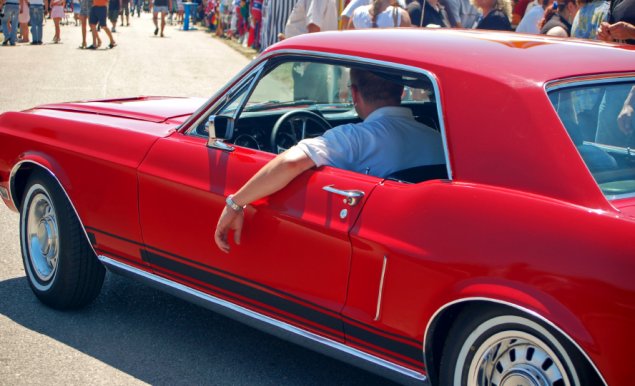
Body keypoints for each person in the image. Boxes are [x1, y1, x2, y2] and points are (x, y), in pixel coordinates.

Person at [214, 68, 445, 253]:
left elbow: (290, 163)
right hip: (421, 239)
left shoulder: (354, 137)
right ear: (401, 91)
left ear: (354, 94)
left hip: (363, 239)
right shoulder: (436, 139)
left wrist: (235, 203)